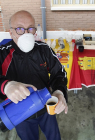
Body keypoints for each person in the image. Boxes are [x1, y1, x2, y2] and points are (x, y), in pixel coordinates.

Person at [0, 10, 68, 140]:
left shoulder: (44, 49)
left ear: (35, 31)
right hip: (20, 114)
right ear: (11, 32)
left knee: (54, 137)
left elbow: (59, 72)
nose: (26, 33)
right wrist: (6, 86)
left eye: (30, 28)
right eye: (19, 29)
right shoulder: (2, 53)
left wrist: (59, 91)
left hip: (47, 107)